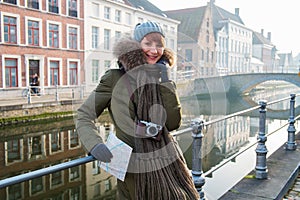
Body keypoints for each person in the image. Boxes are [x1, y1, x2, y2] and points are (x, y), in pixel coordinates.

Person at [76, 21, 199, 199]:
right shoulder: (114, 78)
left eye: (159, 45)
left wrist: (165, 81)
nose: (154, 50)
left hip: (166, 160)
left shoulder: (160, 80)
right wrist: (94, 143)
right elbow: (84, 115)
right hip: (130, 163)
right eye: (148, 43)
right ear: (135, 45)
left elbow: (172, 124)